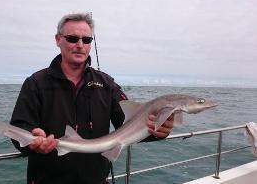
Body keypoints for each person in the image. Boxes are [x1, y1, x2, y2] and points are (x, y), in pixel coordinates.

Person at [10, 12, 174, 184]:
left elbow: (128, 124)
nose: (80, 45)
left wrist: (156, 130)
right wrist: (32, 139)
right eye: (72, 38)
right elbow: (19, 128)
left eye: (86, 40)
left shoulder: (106, 84)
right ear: (58, 40)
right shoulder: (36, 83)